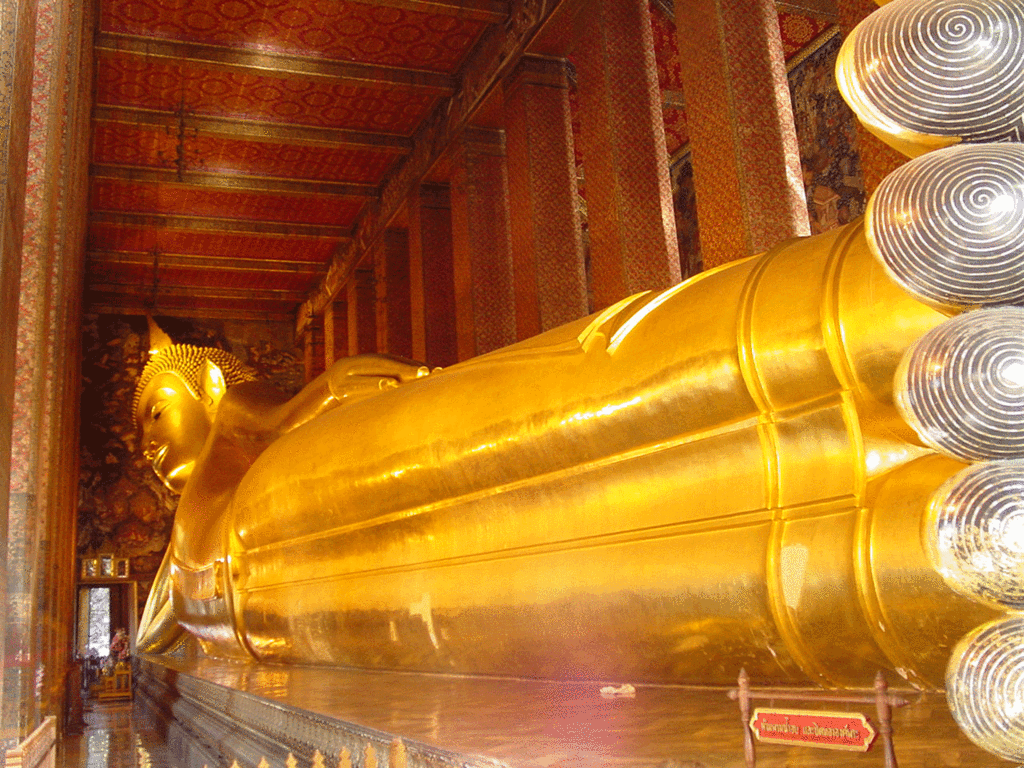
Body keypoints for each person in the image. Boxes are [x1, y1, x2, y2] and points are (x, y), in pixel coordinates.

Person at [135, 0, 1022, 693]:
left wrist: (291, 412)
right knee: (588, 569)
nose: (145, 443)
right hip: (303, 582)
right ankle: (920, 556)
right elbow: (161, 629)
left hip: (301, 485)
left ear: (211, 386)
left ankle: (883, 310)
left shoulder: (260, 453)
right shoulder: (202, 531)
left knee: (595, 398)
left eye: (155, 411)